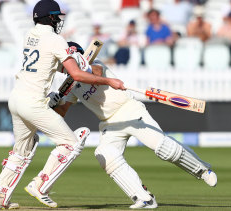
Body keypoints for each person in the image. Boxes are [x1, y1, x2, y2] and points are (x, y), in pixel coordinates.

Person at [0, 0, 125, 210]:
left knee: (21, 151)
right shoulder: (55, 39)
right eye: (57, 17)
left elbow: (51, 65)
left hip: (16, 98)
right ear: (50, 17)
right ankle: (39, 185)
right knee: (71, 143)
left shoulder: (29, 34)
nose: (59, 20)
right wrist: (109, 81)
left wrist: (72, 61)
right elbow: (75, 74)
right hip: (32, 102)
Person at [48, 41, 218, 209]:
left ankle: (202, 170)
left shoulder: (95, 64)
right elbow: (62, 112)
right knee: (104, 154)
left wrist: (82, 68)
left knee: (164, 149)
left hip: (130, 110)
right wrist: (53, 104)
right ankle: (145, 199)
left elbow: (97, 73)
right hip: (109, 123)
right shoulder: (71, 86)